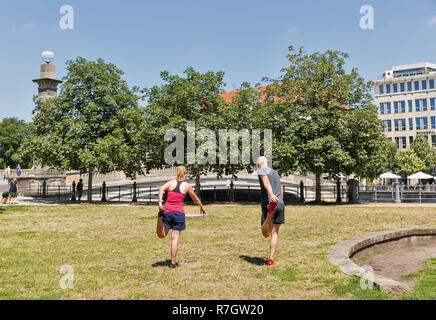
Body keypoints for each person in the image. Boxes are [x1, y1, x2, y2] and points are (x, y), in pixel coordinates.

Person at [157, 166, 207, 269]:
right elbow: (195, 198)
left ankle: (159, 217)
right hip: (178, 214)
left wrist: (160, 202)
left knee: (161, 235)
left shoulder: (171, 183)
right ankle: (173, 263)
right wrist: (201, 206)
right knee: (174, 238)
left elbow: (161, 189)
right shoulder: (187, 186)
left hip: (168, 212)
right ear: (185, 174)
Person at [256, 156, 285, 267]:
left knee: (265, 233)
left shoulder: (262, 171)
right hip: (280, 203)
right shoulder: (275, 172)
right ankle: (271, 259)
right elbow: (281, 188)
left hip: (269, 203)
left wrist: (271, 195)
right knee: (275, 233)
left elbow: (266, 182)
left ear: (260, 164)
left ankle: (269, 214)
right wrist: (280, 200)